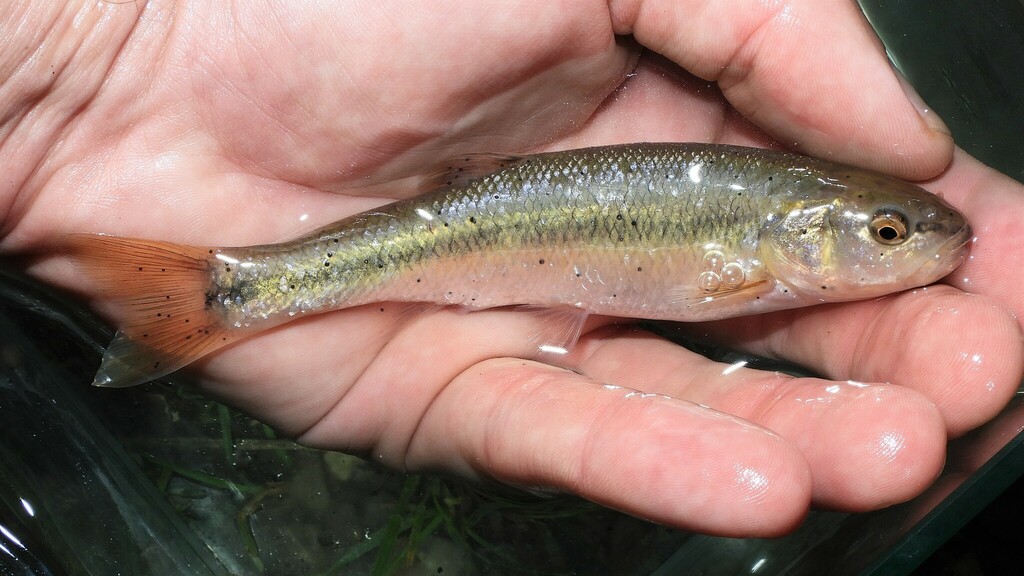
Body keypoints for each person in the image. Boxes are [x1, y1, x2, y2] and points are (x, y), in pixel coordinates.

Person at [2, 1, 1021, 537]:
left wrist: (77, 61)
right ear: (810, 229)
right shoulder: (756, 255)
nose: (908, 248)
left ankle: (231, 293)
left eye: (893, 235)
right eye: (889, 234)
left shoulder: (767, 227)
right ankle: (238, 290)